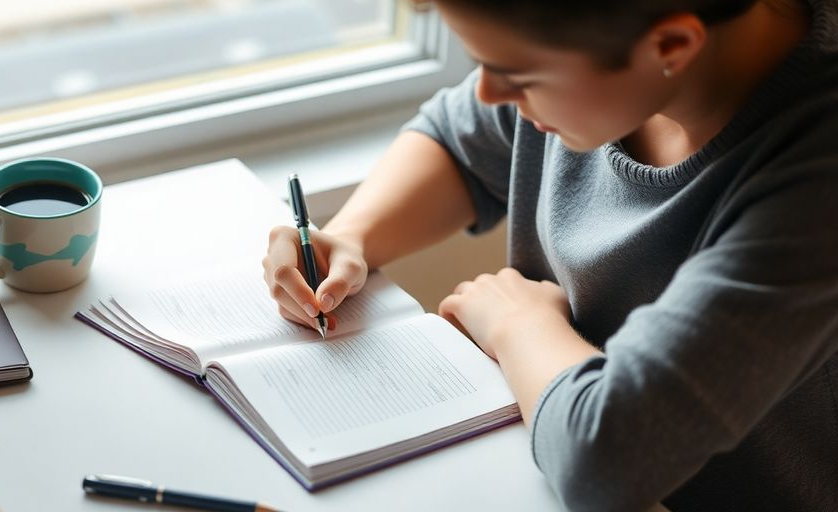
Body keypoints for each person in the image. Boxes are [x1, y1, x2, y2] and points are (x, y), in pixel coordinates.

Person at [262, 0, 838, 510]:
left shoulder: (812, 189)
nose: (489, 93)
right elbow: (461, 137)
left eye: (517, 75)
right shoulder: (605, 52)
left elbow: (609, 461)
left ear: (671, 45)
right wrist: (353, 235)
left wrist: (519, 325)